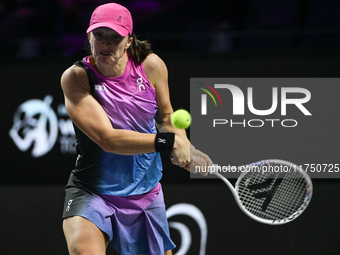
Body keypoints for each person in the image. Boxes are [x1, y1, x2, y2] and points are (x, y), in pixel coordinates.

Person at [60, 3, 212, 255]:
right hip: (93, 191)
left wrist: (185, 145)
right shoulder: (77, 77)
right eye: (99, 35)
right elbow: (108, 139)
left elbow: (165, 117)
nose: (105, 44)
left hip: (145, 193)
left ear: (129, 40)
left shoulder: (151, 66)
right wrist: (168, 143)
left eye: (115, 37)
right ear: (89, 36)